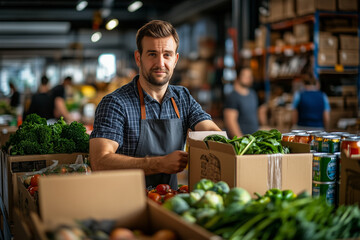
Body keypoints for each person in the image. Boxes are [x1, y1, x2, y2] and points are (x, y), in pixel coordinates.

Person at [89, 20, 221, 190]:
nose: (160, 63)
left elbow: (210, 130)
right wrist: (159, 163)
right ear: (138, 58)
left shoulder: (182, 98)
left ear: (175, 59)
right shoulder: (115, 103)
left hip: (167, 199)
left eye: (167, 54)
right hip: (123, 203)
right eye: (152, 54)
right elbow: (99, 161)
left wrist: (226, 146)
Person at [223, 66, 261, 138]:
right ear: (238, 77)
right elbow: (230, 122)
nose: (248, 78)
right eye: (245, 76)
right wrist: (240, 140)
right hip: (242, 141)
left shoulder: (253, 94)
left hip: (254, 139)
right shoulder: (233, 97)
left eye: (250, 76)